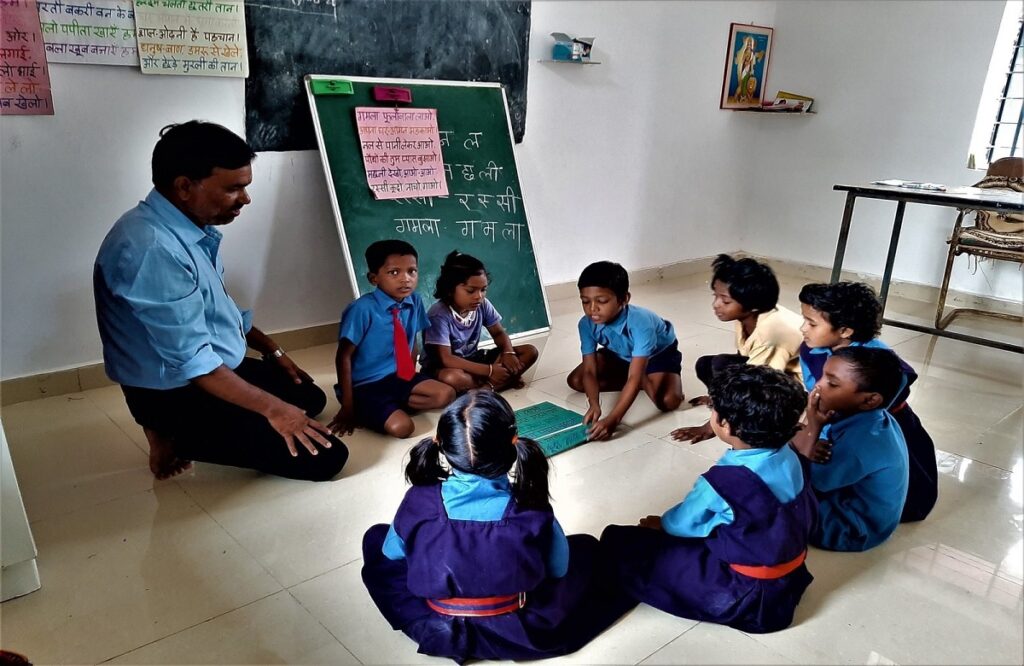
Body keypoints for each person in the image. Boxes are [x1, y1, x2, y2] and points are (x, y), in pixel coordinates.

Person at [93, 121, 348, 481]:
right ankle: (168, 432)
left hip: (212, 365)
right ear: (185, 186)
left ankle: (214, 422)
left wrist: (273, 351)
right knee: (326, 457)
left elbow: (217, 308)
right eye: (234, 188)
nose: (246, 199)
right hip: (175, 390)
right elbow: (194, 364)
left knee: (308, 398)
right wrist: (275, 411)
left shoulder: (189, 225)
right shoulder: (153, 248)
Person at [361, 391, 637, 663]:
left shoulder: (418, 500)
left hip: (437, 626)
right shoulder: (531, 507)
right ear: (513, 442)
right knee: (586, 547)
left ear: (439, 443)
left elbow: (392, 552)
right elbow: (558, 569)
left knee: (376, 538)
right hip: (520, 629)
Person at [600, 365, 816, 633]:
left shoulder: (723, 482)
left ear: (724, 424)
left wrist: (661, 524)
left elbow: (683, 524)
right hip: (786, 573)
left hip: (745, 589)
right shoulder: (791, 455)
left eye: (713, 408)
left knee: (620, 542)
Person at [797, 281, 937, 522]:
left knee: (895, 489)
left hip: (877, 423)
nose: (802, 328)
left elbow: (898, 382)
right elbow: (816, 393)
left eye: (811, 323)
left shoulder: (876, 358)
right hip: (836, 421)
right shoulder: (811, 350)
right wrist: (816, 432)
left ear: (845, 331)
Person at [329, 240, 455, 439]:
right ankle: (369, 406)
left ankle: (388, 405)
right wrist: (347, 405)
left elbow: (412, 340)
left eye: (412, 271)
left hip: (398, 376)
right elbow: (343, 357)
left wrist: (409, 377)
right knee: (403, 428)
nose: (405, 279)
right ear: (374, 278)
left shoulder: (415, 300)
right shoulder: (361, 309)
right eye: (394, 272)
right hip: (366, 384)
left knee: (446, 394)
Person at [672, 254, 803, 444]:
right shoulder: (748, 316)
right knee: (709, 364)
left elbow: (756, 382)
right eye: (716, 296)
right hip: (773, 371)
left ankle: (735, 416)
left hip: (794, 386)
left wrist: (710, 428)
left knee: (727, 374)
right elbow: (744, 357)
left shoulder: (770, 332)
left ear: (753, 305)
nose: (715, 305)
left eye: (725, 301)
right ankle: (722, 403)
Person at [791, 346, 909, 552]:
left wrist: (812, 426)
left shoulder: (862, 443)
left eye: (832, 384)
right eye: (822, 377)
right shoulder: (873, 418)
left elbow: (808, 482)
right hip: (857, 508)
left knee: (771, 489)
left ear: (870, 400)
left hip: (851, 530)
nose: (818, 386)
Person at [566, 261, 684, 441]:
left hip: (658, 354)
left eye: (602, 301)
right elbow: (589, 370)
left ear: (624, 299)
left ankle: (639, 378)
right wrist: (594, 405)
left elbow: (634, 378)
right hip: (620, 352)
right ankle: (634, 378)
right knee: (576, 381)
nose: (592, 309)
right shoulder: (586, 324)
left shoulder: (641, 322)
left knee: (668, 401)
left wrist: (613, 419)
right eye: (585, 301)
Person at [419, 250, 538, 393]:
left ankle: (487, 387)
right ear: (450, 289)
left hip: (473, 360)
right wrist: (489, 370)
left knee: (530, 351)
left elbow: (499, 333)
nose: (479, 297)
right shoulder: (438, 315)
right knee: (452, 378)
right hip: (445, 367)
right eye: (471, 291)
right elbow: (447, 359)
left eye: (483, 290)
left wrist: (508, 353)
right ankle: (498, 382)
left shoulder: (483, 305)